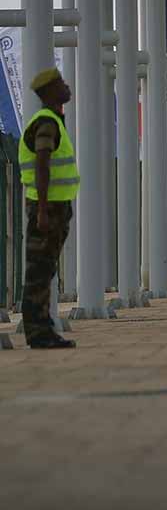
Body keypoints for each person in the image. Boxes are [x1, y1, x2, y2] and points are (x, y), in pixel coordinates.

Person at [18, 68, 78, 349]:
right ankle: (38, 333)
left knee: (44, 269)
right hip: (48, 208)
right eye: (61, 84)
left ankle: (42, 330)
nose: (66, 87)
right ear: (50, 92)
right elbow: (42, 164)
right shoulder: (47, 123)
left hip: (53, 207)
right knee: (40, 271)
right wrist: (42, 209)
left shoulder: (53, 121)